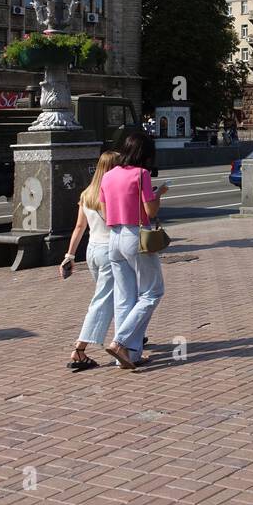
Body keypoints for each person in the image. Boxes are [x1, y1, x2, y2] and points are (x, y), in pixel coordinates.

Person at [100, 132, 169, 370]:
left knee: (124, 298)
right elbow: (149, 211)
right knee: (152, 292)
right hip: (135, 236)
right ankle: (121, 342)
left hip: (114, 237)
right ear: (145, 154)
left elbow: (104, 208)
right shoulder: (142, 175)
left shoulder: (108, 176)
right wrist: (159, 195)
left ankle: (130, 354)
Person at [62, 150, 121, 372]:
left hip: (92, 251)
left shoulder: (87, 193)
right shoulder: (110, 192)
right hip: (109, 250)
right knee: (103, 300)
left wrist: (69, 255)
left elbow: (79, 227)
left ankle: (132, 334)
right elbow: (115, 223)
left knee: (114, 294)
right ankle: (80, 349)